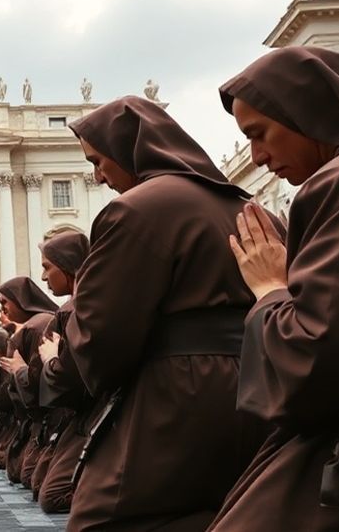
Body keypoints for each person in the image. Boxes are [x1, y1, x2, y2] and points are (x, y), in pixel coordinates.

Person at [209, 46, 339, 530]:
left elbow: (320, 356)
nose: (257, 158)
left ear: (303, 111)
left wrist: (269, 289)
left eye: (259, 135)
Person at [59, 96, 273, 531]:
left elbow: (103, 333)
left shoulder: (135, 210)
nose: (99, 176)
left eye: (99, 161)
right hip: (256, 384)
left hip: (175, 390)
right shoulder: (252, 207)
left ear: (127, 150)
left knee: (106, 517)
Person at [31, 231, 90, 511]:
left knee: (51, 492)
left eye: (46, 267)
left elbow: (69, 383)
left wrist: (51, 361)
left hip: (89, 416)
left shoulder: (70, 312)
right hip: (79, 416)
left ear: (67, 267)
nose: (43, 278)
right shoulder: (70, 310)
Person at [0, 277, 58, 486]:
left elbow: (36, 386)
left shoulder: (35, 327)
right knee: (17, 468)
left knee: (40, 483)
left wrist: (19, 370)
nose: (2, 310)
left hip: (51, 417)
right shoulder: (34, 325)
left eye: (5, 303)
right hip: (36, 418)